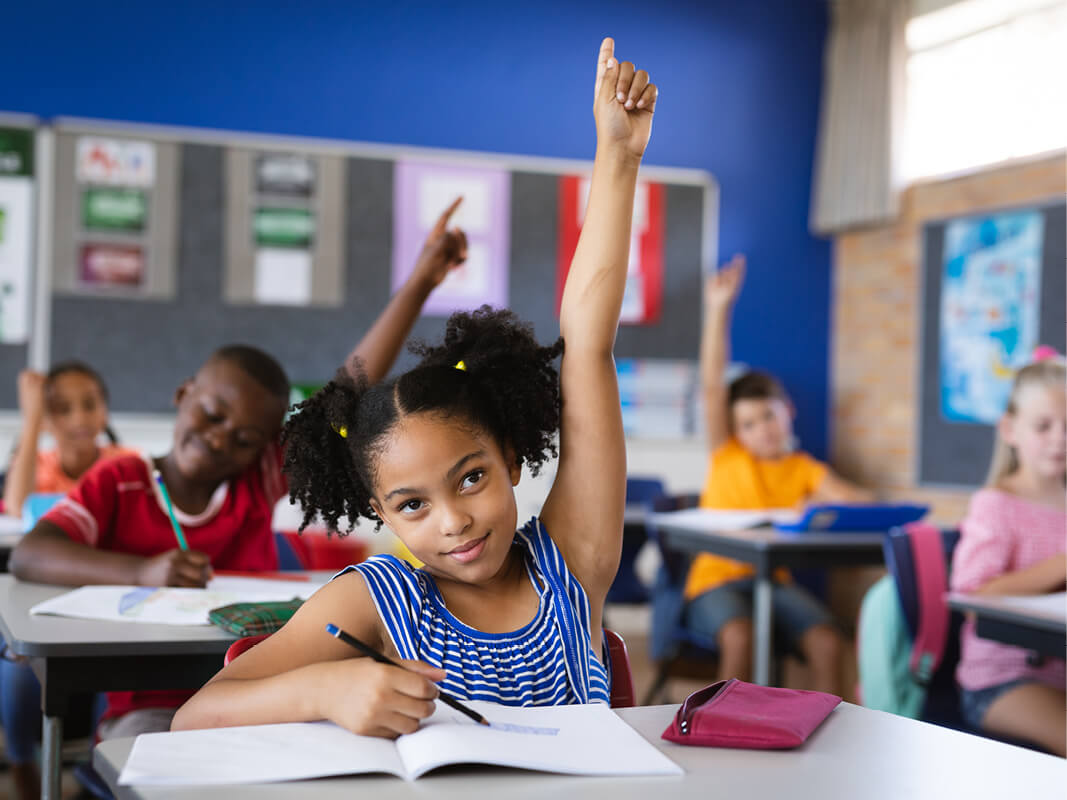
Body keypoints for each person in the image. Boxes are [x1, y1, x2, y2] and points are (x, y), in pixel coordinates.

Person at [171, 37, 655, 737]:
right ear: (381, 512)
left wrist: (617, 158)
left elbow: (587, 345)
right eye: (411, 504)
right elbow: (196, 716)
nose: (452, 521)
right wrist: (328, 690)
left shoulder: (573, 565)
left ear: (512, 460)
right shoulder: (380, 598)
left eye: (470, 478)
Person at [3, 197, 469, 796]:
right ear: (182, 395)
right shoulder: (118, 482)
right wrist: (142, 569)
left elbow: (342, 398)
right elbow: (30, 555)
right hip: (154, 709)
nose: (221, 438)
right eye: (212, 414)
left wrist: (420, 282)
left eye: (246, 437)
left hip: (266, 695)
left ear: (262, 452)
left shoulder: (256, 482)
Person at [682, 255, 872, 692]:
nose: (761, 430)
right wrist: (719, 310)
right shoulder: (728, 454)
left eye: (768, 416)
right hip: (717, 582)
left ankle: (830, 734)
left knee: (828, 641)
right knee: (740, 637)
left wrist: (824, 504)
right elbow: (713, 386)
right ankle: (721, 728)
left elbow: (858, 501)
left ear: (788, 412)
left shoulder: (804, 468)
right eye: (748, 424)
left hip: (772, 582)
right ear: (735, 431)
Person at [950, 352, 1066, 756]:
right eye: (1044, 426)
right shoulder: (996, 504)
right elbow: (972, 596)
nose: (1060, 438)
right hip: (1000, 682)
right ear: (1010, 430)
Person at [3, 362, 134, 517]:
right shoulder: (35, 465)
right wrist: (32, 421)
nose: (80, 420)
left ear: (105, 412)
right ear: (45, 420)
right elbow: (18, 510)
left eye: (90, 405)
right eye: (63, 409)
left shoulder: (127, 464)